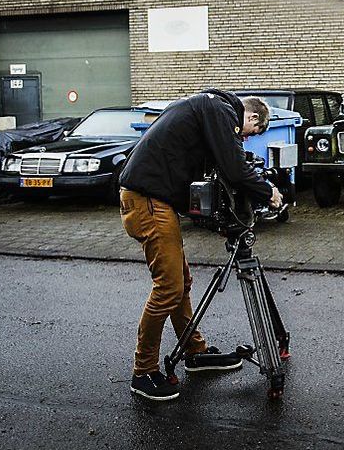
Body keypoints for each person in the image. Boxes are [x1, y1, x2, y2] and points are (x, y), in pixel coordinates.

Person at [119, 89, 283, 401]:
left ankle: (195, 352)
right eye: (253, 132)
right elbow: (235, 168)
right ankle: (143, 372)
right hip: (148, 202)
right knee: (168, 287)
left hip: (155, 201)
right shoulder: (220, 111)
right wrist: (267, 191)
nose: (247, 140)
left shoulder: (208, 109)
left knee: (181, 284)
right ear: (251, 117)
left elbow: (218, 175)